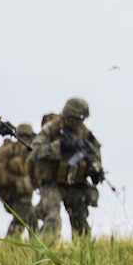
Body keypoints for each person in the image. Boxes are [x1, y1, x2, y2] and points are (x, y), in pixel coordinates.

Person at [28, 98, 103, 238]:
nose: (79, 123)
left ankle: (83, 255)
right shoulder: (52, 128)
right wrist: (58, 147)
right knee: (53, 218)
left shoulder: (85, 134)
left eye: (82, 120)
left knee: (80, 222)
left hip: (74, 183)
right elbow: (34, 151)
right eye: (77, 119)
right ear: (68, 116)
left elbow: (95, 152)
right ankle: (45, 253)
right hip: (52, 182)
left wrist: (96, 168)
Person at [0, 123, 38, 238]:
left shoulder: (24, 150)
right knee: (21, 219)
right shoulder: (11, 149)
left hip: (19, 192)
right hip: (13, 192)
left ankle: (37, 244)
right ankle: (9, 244)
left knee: (31, 218)